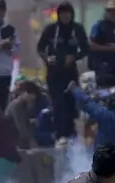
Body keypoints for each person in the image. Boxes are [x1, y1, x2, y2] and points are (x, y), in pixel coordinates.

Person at [36, 1, 89, 140]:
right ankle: (60, 137)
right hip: (54, 74)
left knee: (71, 106)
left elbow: (85, 49)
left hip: (70, 72)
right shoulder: (51, 29)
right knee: (59, 106)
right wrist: (47, 59)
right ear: (58, 15)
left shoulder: (77, 29)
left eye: (68, 13)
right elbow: (40, 48)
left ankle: (72, 136)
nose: (66, 16)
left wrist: (74, 57)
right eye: (63, 13)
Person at [88, 0, 115, 86]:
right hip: (103, 69)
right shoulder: (100, 26)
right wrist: (110, 48)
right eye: (113, 12)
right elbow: (91, 45)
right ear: (108, 12)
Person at [5, 80, 41, 149]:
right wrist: (31, 142)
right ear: (22, 93)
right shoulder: (16, 105)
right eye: (30, 93)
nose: (32, 97)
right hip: (12, 140)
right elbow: (21, 126)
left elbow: (27, 124)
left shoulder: (26, 105)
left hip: (19, 139)